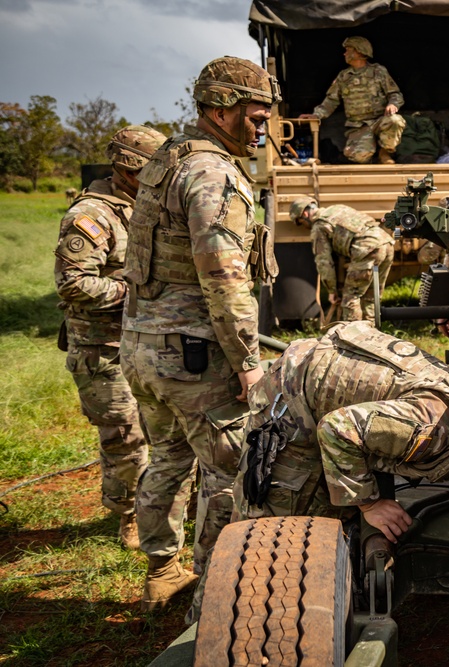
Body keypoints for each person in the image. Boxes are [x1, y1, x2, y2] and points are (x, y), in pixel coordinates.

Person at [120, 56, 281, 613]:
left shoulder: (168, 157)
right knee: (229, 470)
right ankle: (216, 600)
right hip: (192, 354)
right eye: (254, 116)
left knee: (165, 458)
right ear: (219, 109)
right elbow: (224, 276)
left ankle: (162, 571)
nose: (263, 127)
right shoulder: (212, 173)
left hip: (144, 348)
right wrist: (248, 362)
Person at [234, 321, 449, 577]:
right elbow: (336, 430)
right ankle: (225, 593)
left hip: (334, 390)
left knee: (335, 510)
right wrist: (369, 503)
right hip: (295, 394)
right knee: (269, 529)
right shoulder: (433, 431)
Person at [54, 125, 166, 550]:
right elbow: (72, 284)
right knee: (125, 435)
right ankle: (129, 515)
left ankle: (163, 505)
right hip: (103, 348)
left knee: (163, 429)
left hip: (148, 342)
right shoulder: (93, 215)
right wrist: (134, 293)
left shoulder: (146, 205)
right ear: (129, 168)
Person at [299, 36, 405, 164]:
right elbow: (331, 101)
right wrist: (316, 115)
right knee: (359, 156)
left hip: (380, 121)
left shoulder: (378, 71)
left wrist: (393, 104)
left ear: (359, 51)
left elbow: (395, 93)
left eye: (348, 50)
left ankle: (385, 153)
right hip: (358, 126)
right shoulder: (344, 77)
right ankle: (370, 154)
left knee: (395, 120)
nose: (344, 53)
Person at [288, 197, 394, 322]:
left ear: (304, 214)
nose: (303, 226)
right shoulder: (336, 208)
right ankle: (373, 334)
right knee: (371, 297)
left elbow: (324, 262)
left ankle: (354, 338)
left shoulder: (319, 226)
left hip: (367, 249)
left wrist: (332, 291)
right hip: (386, 243)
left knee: (350, 299)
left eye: (300, 222)